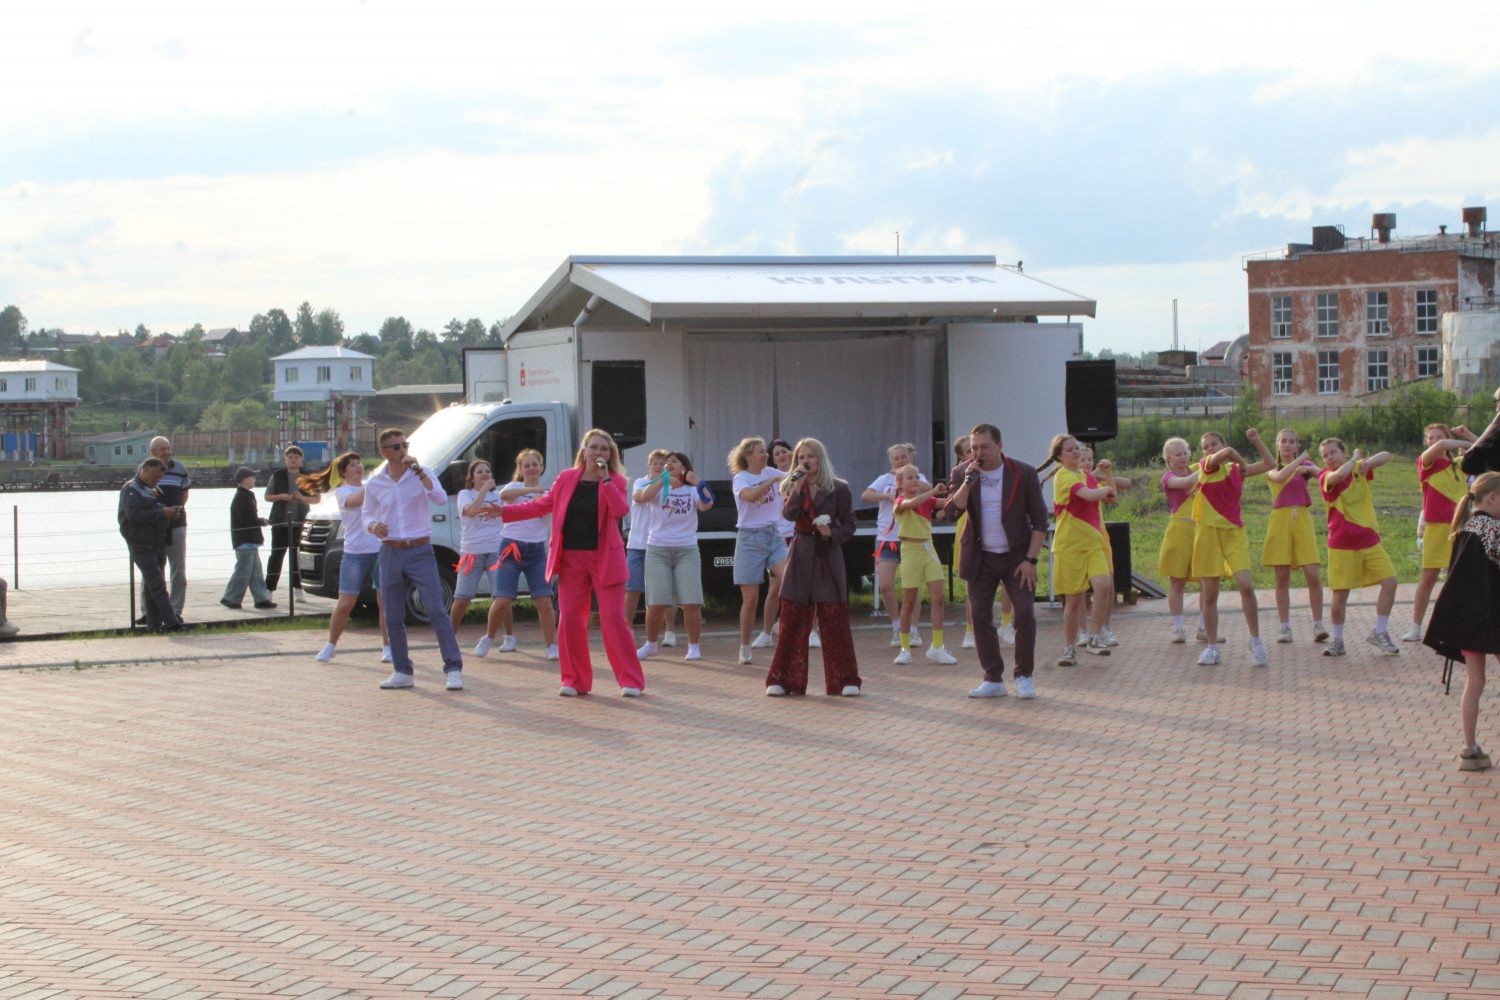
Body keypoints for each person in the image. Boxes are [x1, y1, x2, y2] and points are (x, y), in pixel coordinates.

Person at [500, 428, 645, 697]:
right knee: (569, 619)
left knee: (613, 619)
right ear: (584, 451)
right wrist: (504, 512)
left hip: (605, 558)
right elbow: (541, 505)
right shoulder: (567, 478)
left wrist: (605, 480)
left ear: (610, 455)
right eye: (594, 447)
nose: (598, 452)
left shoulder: (616, 481)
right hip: (571, 559)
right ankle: (574, 680)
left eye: (604, 449)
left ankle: (631, 680)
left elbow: (620, 510)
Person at [944, 424, 1047, 698]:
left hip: (1017, 558)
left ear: (999, 446)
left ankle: (1024, 675)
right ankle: (993, 678)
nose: (978, 453)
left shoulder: (1023, 472)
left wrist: (1030, 559)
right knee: (979, 615)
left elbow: (1040, 520)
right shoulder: (963, 473)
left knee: (1024, 613)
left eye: (984, 447)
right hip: (981, 558)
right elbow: (951, 512)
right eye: (974, 448)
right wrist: (968, 482)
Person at [363, 428, 465, 691]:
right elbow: (366, 515)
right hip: (390, 550)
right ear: (384, 452)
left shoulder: (423, 473)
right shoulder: (375, 483)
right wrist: (373, 526)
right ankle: (402, 671)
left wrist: (419, 472)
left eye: (405, 445)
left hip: (420, 549)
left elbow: (440, 499)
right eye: (396, 447)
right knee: (393, 614)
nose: (402, 451)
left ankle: (453, 668)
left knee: (436, 609)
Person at [765, 438, 862, 698]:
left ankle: (845, 679)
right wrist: (797, 489)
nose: (805, 461)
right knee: (792, 616)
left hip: (828, 554)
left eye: (810, 456)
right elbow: (789, 515)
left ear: (820, 458)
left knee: (833, 617)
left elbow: (850, 523)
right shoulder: (792, 485)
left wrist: (833, 532)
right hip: (801, 552)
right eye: (801, 457)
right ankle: (784, 679)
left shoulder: (839, 488)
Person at [1423, 472, 1500, 772]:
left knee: (1474, 681)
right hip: (1492, 615)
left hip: (1466, 618)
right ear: (1493, 498)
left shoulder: (1464, 529)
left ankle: (1469, 747)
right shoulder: (1493, 529)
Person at [1191, 429, 1275, 667]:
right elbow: (1228, 452)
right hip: (1208, 533)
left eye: (1214, 444)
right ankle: (1212, 648)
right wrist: (1241, 462)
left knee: (1246, 585)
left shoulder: (1235, 471)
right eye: (1206, 446)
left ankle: (1256, 642)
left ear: (1222, 442)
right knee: (1210, 592)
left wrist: (1257, 440)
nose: (1210, 448)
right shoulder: (1206, 466)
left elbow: (1270, 464)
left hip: (1234, 532)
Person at [1317, 438, 1399, 657]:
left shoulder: (1358, 469)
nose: (1330, 457)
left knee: (1390, 582)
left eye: (1333, 452)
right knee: (1340, 595)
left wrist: (1367, 462)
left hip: (1369, 540)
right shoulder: (1325, 476)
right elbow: (1339, 476)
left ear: (1342, 453)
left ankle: (1380, 631)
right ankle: (1338, 641)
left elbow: (1386, 455)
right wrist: (1354, 459)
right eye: (1325, 455)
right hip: (1341, 544)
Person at [1039, 435, 1116, 665]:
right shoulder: (1063, 476)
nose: (1076, 452)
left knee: (1103, 587)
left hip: (1093, 543)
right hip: (1069, 546)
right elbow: (1091, 495)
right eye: (1070, 450)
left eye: (1077, 448)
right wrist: (1105, 488)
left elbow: (1113, 498)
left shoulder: (1086, 476)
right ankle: (1069, 648)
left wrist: (1109, 475)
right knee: (1073, 601)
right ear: (1059, 456)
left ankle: (1094, 637)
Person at [309, 452, 390, 663]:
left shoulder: (372, 485)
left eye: (358, 463)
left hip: (380, 550)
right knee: (346, 603)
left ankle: (388, 647)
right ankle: (331, 645)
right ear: (344, 472)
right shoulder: (342, 492)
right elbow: (357, 500)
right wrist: (377, 481)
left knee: (385, 602)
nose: (358, 467)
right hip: (354, 553)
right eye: (352, 465)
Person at [480, 449, 558, 659]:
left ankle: (551, 645)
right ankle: (488, 637)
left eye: (535, 464)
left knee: (544, 601)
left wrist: (542, 498)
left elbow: (547, 518)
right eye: (527, 465)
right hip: (511, 548)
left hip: (536, 551)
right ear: (521, 469)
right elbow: (503, 496)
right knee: (503, 599)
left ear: (541, 467)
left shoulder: (548, 493)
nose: (531, 468)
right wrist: (532, 491)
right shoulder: (514, 487)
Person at [636, 451, 713, 661]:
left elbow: (707, 504)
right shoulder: (658, 485)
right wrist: (662, 480)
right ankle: (651, 644)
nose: (668, 464)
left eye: (673, 461)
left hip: (686, 550)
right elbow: (643, 497)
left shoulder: (691, 490)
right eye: (666, 462)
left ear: (683, 468)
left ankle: (694, 646)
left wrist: (698, 482)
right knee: (656, 602)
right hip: (657, 550)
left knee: (691, 601)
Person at [1406, 424, 1471, 642]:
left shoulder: (1459, 464)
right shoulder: (1426, 463)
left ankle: (1459, 626)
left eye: (1438, 436)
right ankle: (1415, 627)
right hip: (1435, 529)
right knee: (1428, 579)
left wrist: (1468, 435)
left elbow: (1484, 448)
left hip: (1460, 527)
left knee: (1459, 579)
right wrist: (1465, 442)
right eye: (1430, 438)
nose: (1434, 441)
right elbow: (1443, 445)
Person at [1262, 428, 1327, 644]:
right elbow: (1280, 476)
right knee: (1282, 577)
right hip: (1280, 521)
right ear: (1277, 445)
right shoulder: (1272, 467)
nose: (1288, 445)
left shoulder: (1304, 465)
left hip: (1302, 519)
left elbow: (1324, 476)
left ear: (1297, 445)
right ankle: (1285, 627)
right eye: (1283, 441)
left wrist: (1312, 468)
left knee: (1312, 574)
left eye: (1292, 441)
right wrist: (1300, 461)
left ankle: (1318, 624)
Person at [891, 465, 957, 665]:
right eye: (909, 478)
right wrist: (933, 491)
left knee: (938, 598)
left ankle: (937, 647)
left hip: (929, 550)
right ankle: (904, 649)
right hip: (910, 552)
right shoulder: (900, 502)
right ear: (899, 483)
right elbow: (912, 503)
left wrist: (963, 489)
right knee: (909, 602)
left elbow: (950, 502)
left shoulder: (927, 500)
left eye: (917, 477)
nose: (914, 480)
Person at [729, 436, 787, 664]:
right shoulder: (741, 478)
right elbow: (751, 496)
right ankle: (744, 646)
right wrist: (771, 481)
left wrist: (798, 464)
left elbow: (794, 478)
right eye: (761, 451)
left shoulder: (771, 471)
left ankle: (782, 627)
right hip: (749, 539)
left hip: (773, 534)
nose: (766, 455)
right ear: (748, 456)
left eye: (766, 451)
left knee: (789, 579)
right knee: (751, 599)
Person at [862, 443, 925, 649]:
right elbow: (866, 495)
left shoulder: (917, 476)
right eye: (896, 458)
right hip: (886, 538)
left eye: (904, 457)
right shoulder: (884, 479)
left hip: (910, 538)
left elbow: (929, 490)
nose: (900, 461)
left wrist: (910, 481)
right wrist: (887, 495)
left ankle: (913, 630)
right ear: (891, 462)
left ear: (911, 458)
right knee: (886, 585)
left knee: (911, 586)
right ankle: (897, 627)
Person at [117, 457, 186, 632]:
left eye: (160, 477)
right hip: (140, 543)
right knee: (157, 585)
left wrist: (171, 513)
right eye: (155, 476)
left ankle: (154, 626)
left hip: (157, 542)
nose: (157, 480)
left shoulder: (155, 489)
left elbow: (160, 509)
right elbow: (134, 515)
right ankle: (172, 624)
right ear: (145, 469)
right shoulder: (131, 489)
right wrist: (161, 513)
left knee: (151, 587)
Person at [449, 459, 506, 644]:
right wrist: (483, 491)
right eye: (480, 472)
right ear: (472, 477)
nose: (484, 474)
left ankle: (509, 636)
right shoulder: (464, 494)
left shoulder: (498, 495)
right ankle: (450, 637)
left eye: (487, 471)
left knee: (502, 596)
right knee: (462, 598)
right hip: (471, 553)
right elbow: (471, 511)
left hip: (495, 550)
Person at [770, 438, 820, 649]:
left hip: (802, 534)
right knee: (779, 586)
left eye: (785, 451)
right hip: (780, 536)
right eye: (777, 454)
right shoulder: (775, 478)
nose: (782, 455)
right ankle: (772, 628)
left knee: (810, 583)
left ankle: (812, 630)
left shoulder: (809, 476)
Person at [1157, 437, 1200, 643]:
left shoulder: (1195, 470)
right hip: (1179, 531)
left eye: (1185, 453)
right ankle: (1178, 628)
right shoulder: (1168, 477)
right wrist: (1207, 469)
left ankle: (1205, 626)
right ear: (1168, 458)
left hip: (1200, 530)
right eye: (1177, 454)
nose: (1183, 457)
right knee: (1177, 581)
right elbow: (1186, 482)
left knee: (1207, 580)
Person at [625, 449, 670, 639]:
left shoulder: (670, 486)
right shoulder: (640, 483)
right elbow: (640, 496)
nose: (658, 467)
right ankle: (626, 629)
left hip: (659, 546)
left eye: (662, 464)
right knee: (632, 589)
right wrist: (662, 481)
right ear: (649, 465)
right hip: (637, 545)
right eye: (655, 463)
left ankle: (668, 631)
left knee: (661, 592)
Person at [220, 466, 276, 610]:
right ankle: (230, 598)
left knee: (256, 572)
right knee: (242, 572)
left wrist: (260, 521)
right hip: (245, 541)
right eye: (252, 476)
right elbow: (246, 519)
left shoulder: (247, 496)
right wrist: (261, 521)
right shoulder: (241, 497)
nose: (254, 479)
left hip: (251, 541)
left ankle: (261, 599)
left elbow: (248, 518)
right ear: (244, 479)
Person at [148, 436, 192, 621]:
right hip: (153, 527)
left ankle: (175, 611)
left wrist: (176, 510)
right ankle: (150, 611)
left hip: (177, 525)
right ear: (153, 452)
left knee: (178, 570)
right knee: (152, 569)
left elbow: (185, 493)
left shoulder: (180, 468)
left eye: (168, 448)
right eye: (162, 449)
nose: (166, 452)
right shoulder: (145, 468)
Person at [264, 445, 314, 595]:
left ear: (301, 459)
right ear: (285, 459)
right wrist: (281, 496)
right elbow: (267, 496)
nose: (293, 460)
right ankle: (269, 589)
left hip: (300, 522)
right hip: (280, 522)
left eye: (296, 457)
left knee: (298, 556)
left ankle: (298, 588)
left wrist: (302, 498)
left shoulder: (307, 476)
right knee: (276, 556)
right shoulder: (277, 475)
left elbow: (317, 499)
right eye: (290, 457)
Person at [1460, 385, 1500, 475]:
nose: (1496, 409)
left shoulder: (1497, 437)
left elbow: (1468, 464)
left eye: (1497, 401)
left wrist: (1492, 426)